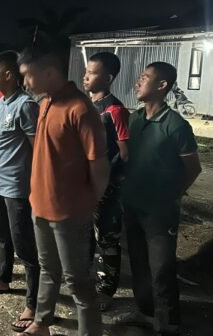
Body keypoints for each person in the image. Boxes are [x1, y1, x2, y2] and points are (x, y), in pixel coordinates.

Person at [17, 36, 108, 336]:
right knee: (48, 269)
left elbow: (98, 164)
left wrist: (88, 203)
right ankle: (42, 322)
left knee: (78, 281)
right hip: (40, 205)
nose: (24, 82)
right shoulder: (45, 103)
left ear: (49, 73)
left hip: (70, 212)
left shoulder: (80, 109)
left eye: (27, 75)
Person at [117, 62, 202, 336]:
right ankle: (145, 311)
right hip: (132, 205)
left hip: (159, 212)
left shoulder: (176, 125)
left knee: (161, 268)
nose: (137, 82)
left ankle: (168, 323)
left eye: (144, 77)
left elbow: (193, 168)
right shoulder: (135, 119)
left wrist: (172, 194)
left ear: (162, 85)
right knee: (139, 263)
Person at [0, 51, 41, 333]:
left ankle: (33, 304)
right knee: (2, 235)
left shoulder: (26, 105)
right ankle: (3, 279)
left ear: (9, 75)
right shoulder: (1, 103)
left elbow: (37, 149)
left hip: (16, 187)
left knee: (25, 245)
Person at [82, 52, 129, 311]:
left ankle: (106, 290)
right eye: (86, 71)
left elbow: (124, 154)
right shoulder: (86, 106)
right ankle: (86, 280)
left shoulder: (115, 111)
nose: (85, 76)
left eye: (92, 72)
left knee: (107, 240)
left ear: (108, 78)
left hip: (106, 189)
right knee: (85, 236)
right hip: (84, 187)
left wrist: (105, 182)